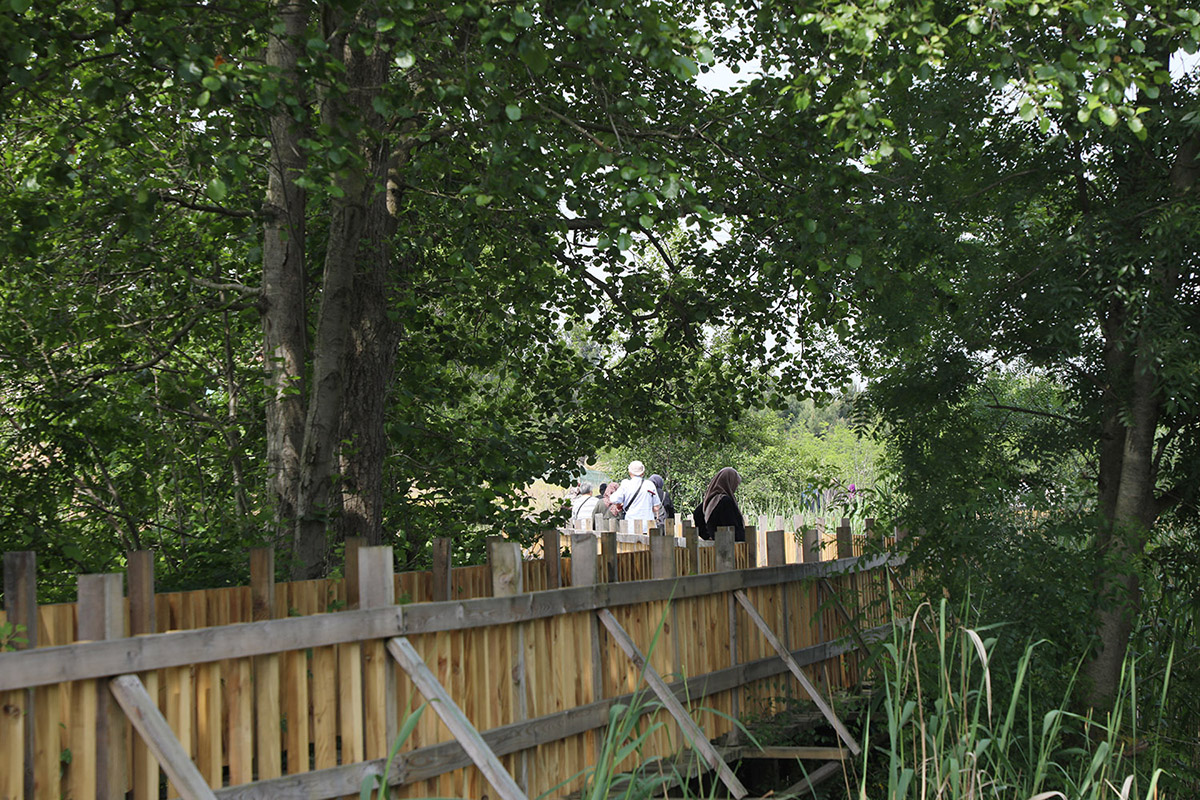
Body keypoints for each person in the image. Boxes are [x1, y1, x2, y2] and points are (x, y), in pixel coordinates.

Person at [692, 466, 745, 542]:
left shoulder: (710, 501)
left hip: (716, 546)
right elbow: (732, 527)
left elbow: (697, 514)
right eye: (735, 483)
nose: (736, 487)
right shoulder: (725, 502)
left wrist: (708, 536)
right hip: (729, 547)